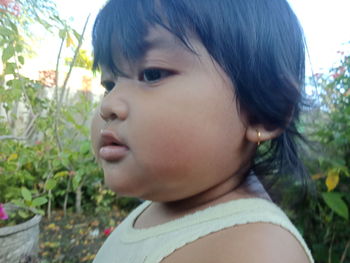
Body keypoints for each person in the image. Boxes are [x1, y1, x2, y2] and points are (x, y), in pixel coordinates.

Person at [90, 0, 314, 262]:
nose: (108, 105)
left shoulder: (256, 249)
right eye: (109, 83)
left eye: (152, 74)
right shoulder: (160, 210)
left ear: (261, 112)